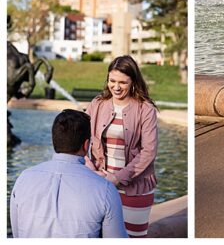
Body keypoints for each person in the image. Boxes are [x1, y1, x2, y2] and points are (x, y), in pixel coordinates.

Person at [9, 109, 128, 238]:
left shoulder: (23, 179)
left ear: (54, 140)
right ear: (86, 145)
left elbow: (17, 234)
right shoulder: (105, 189)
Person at [86, 55, 159, 237]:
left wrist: (117, 178)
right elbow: (79, 139)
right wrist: (90, 169)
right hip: (100, 184)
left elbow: (149, 151)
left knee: (134, 237)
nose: (116, 87)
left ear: (133, 81)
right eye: (112, 81)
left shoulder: (145, 109)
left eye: (122, 82)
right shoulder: (97, 104)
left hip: (135, 188)